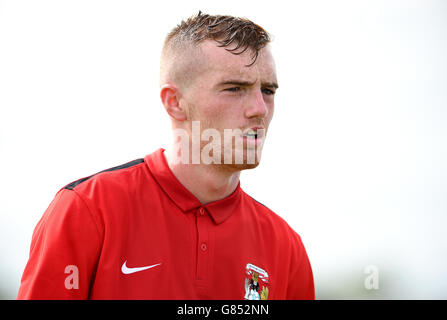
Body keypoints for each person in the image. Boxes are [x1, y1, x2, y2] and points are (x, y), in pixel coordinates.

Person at [17, 12, 315, 300]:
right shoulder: (87, 210)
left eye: (268, 90)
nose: (259, 109)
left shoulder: (286, 246)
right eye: (234, 88)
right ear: (174, 103)